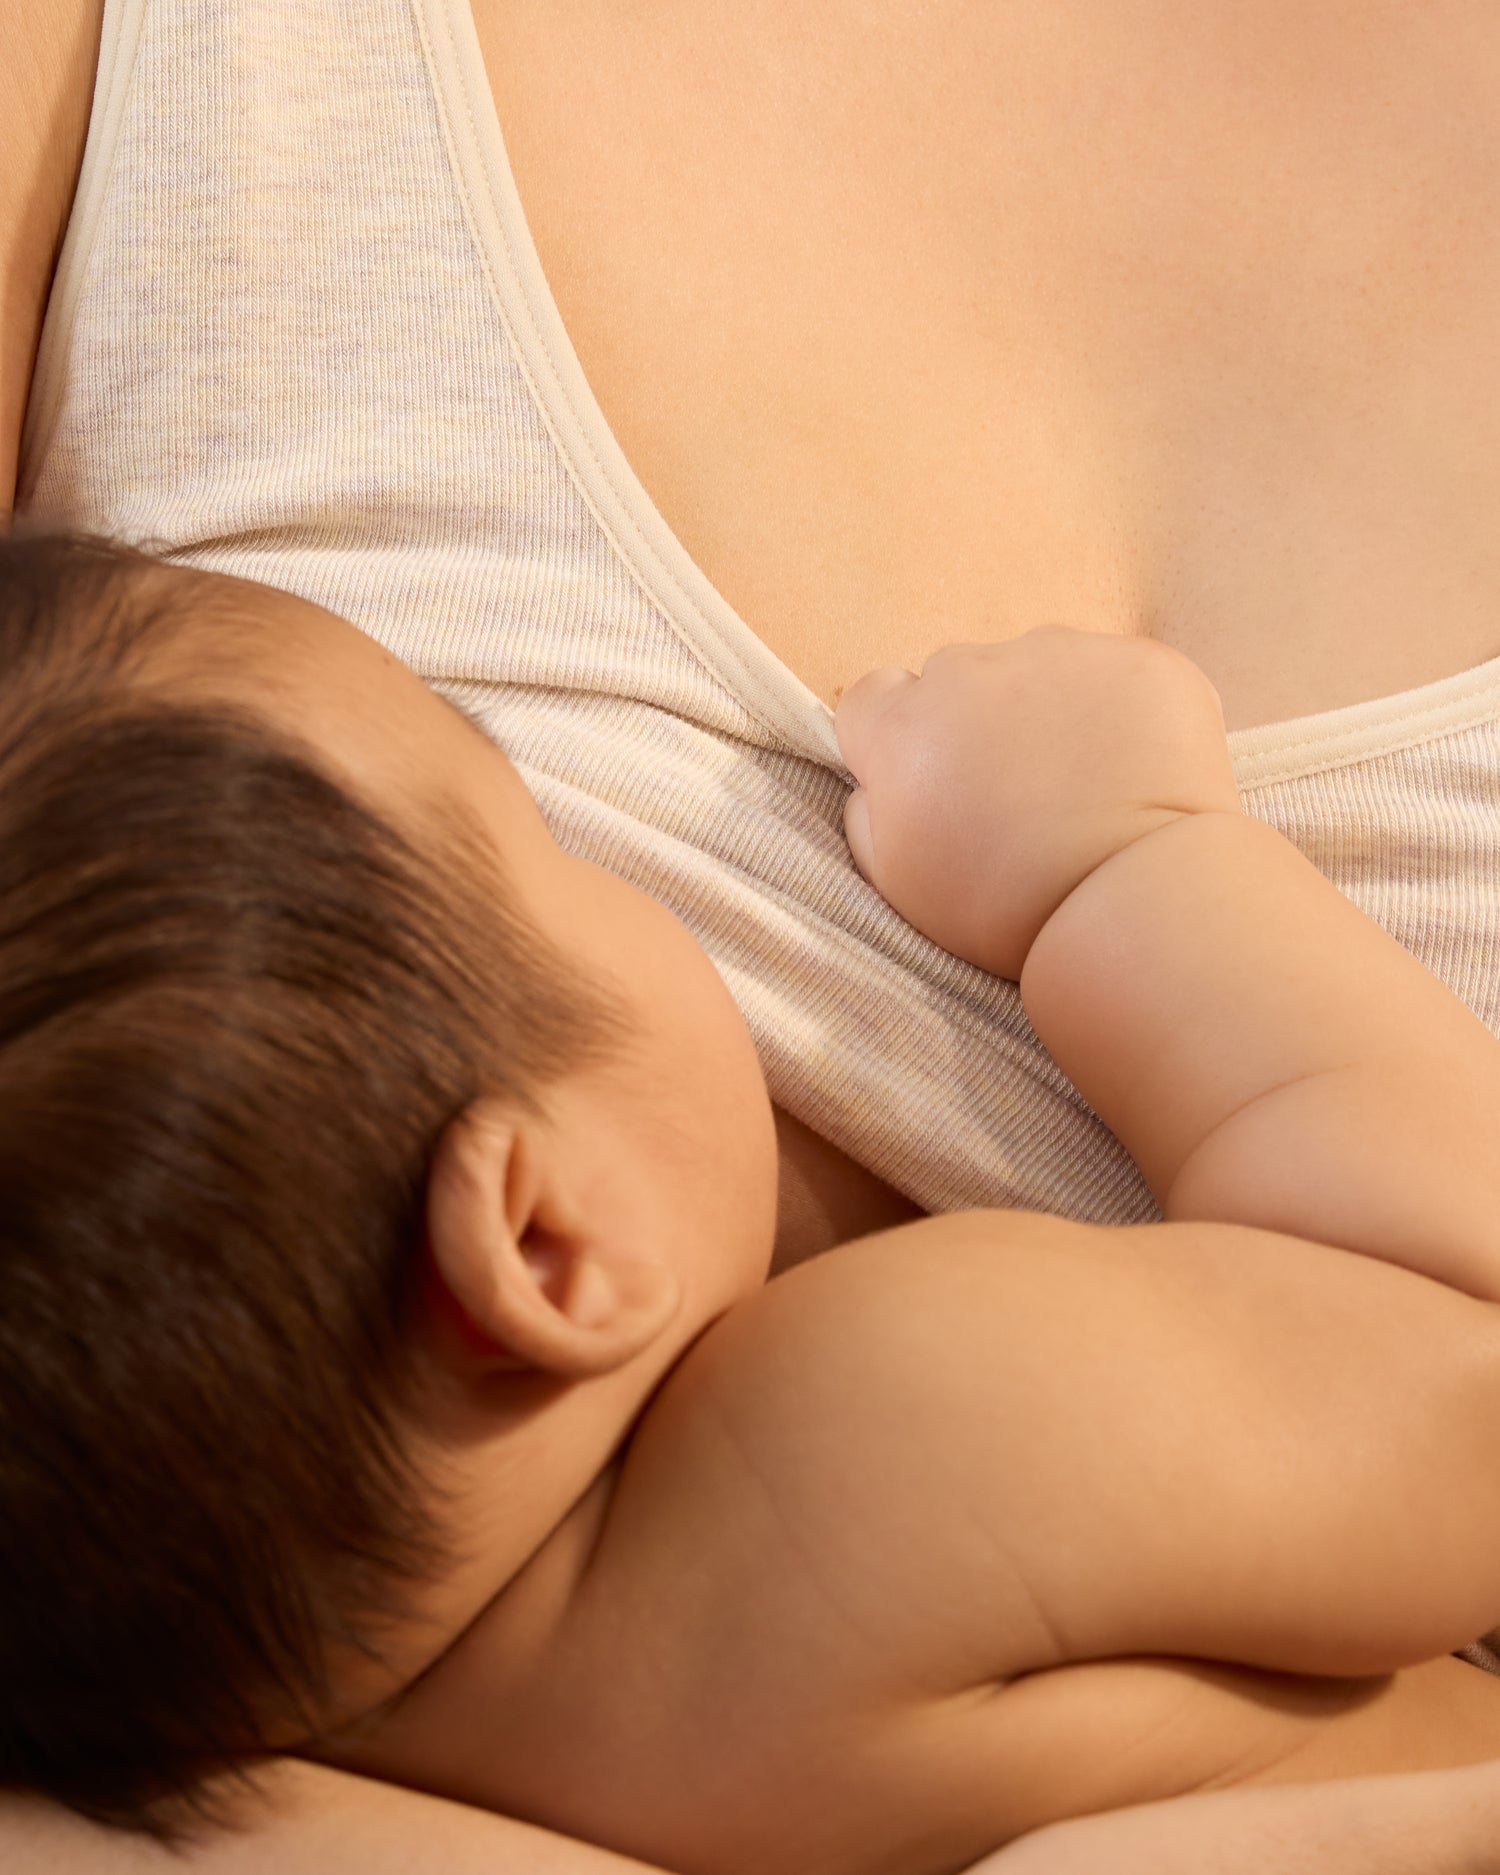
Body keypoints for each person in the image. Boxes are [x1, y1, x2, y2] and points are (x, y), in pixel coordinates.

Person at [5, 2, 1500, 1868]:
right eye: (535, 840)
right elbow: (1467, 1347)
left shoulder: (256, 1701)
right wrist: (1122, 866)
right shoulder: (873, 1458)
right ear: (545, 1239)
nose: (607, 867)